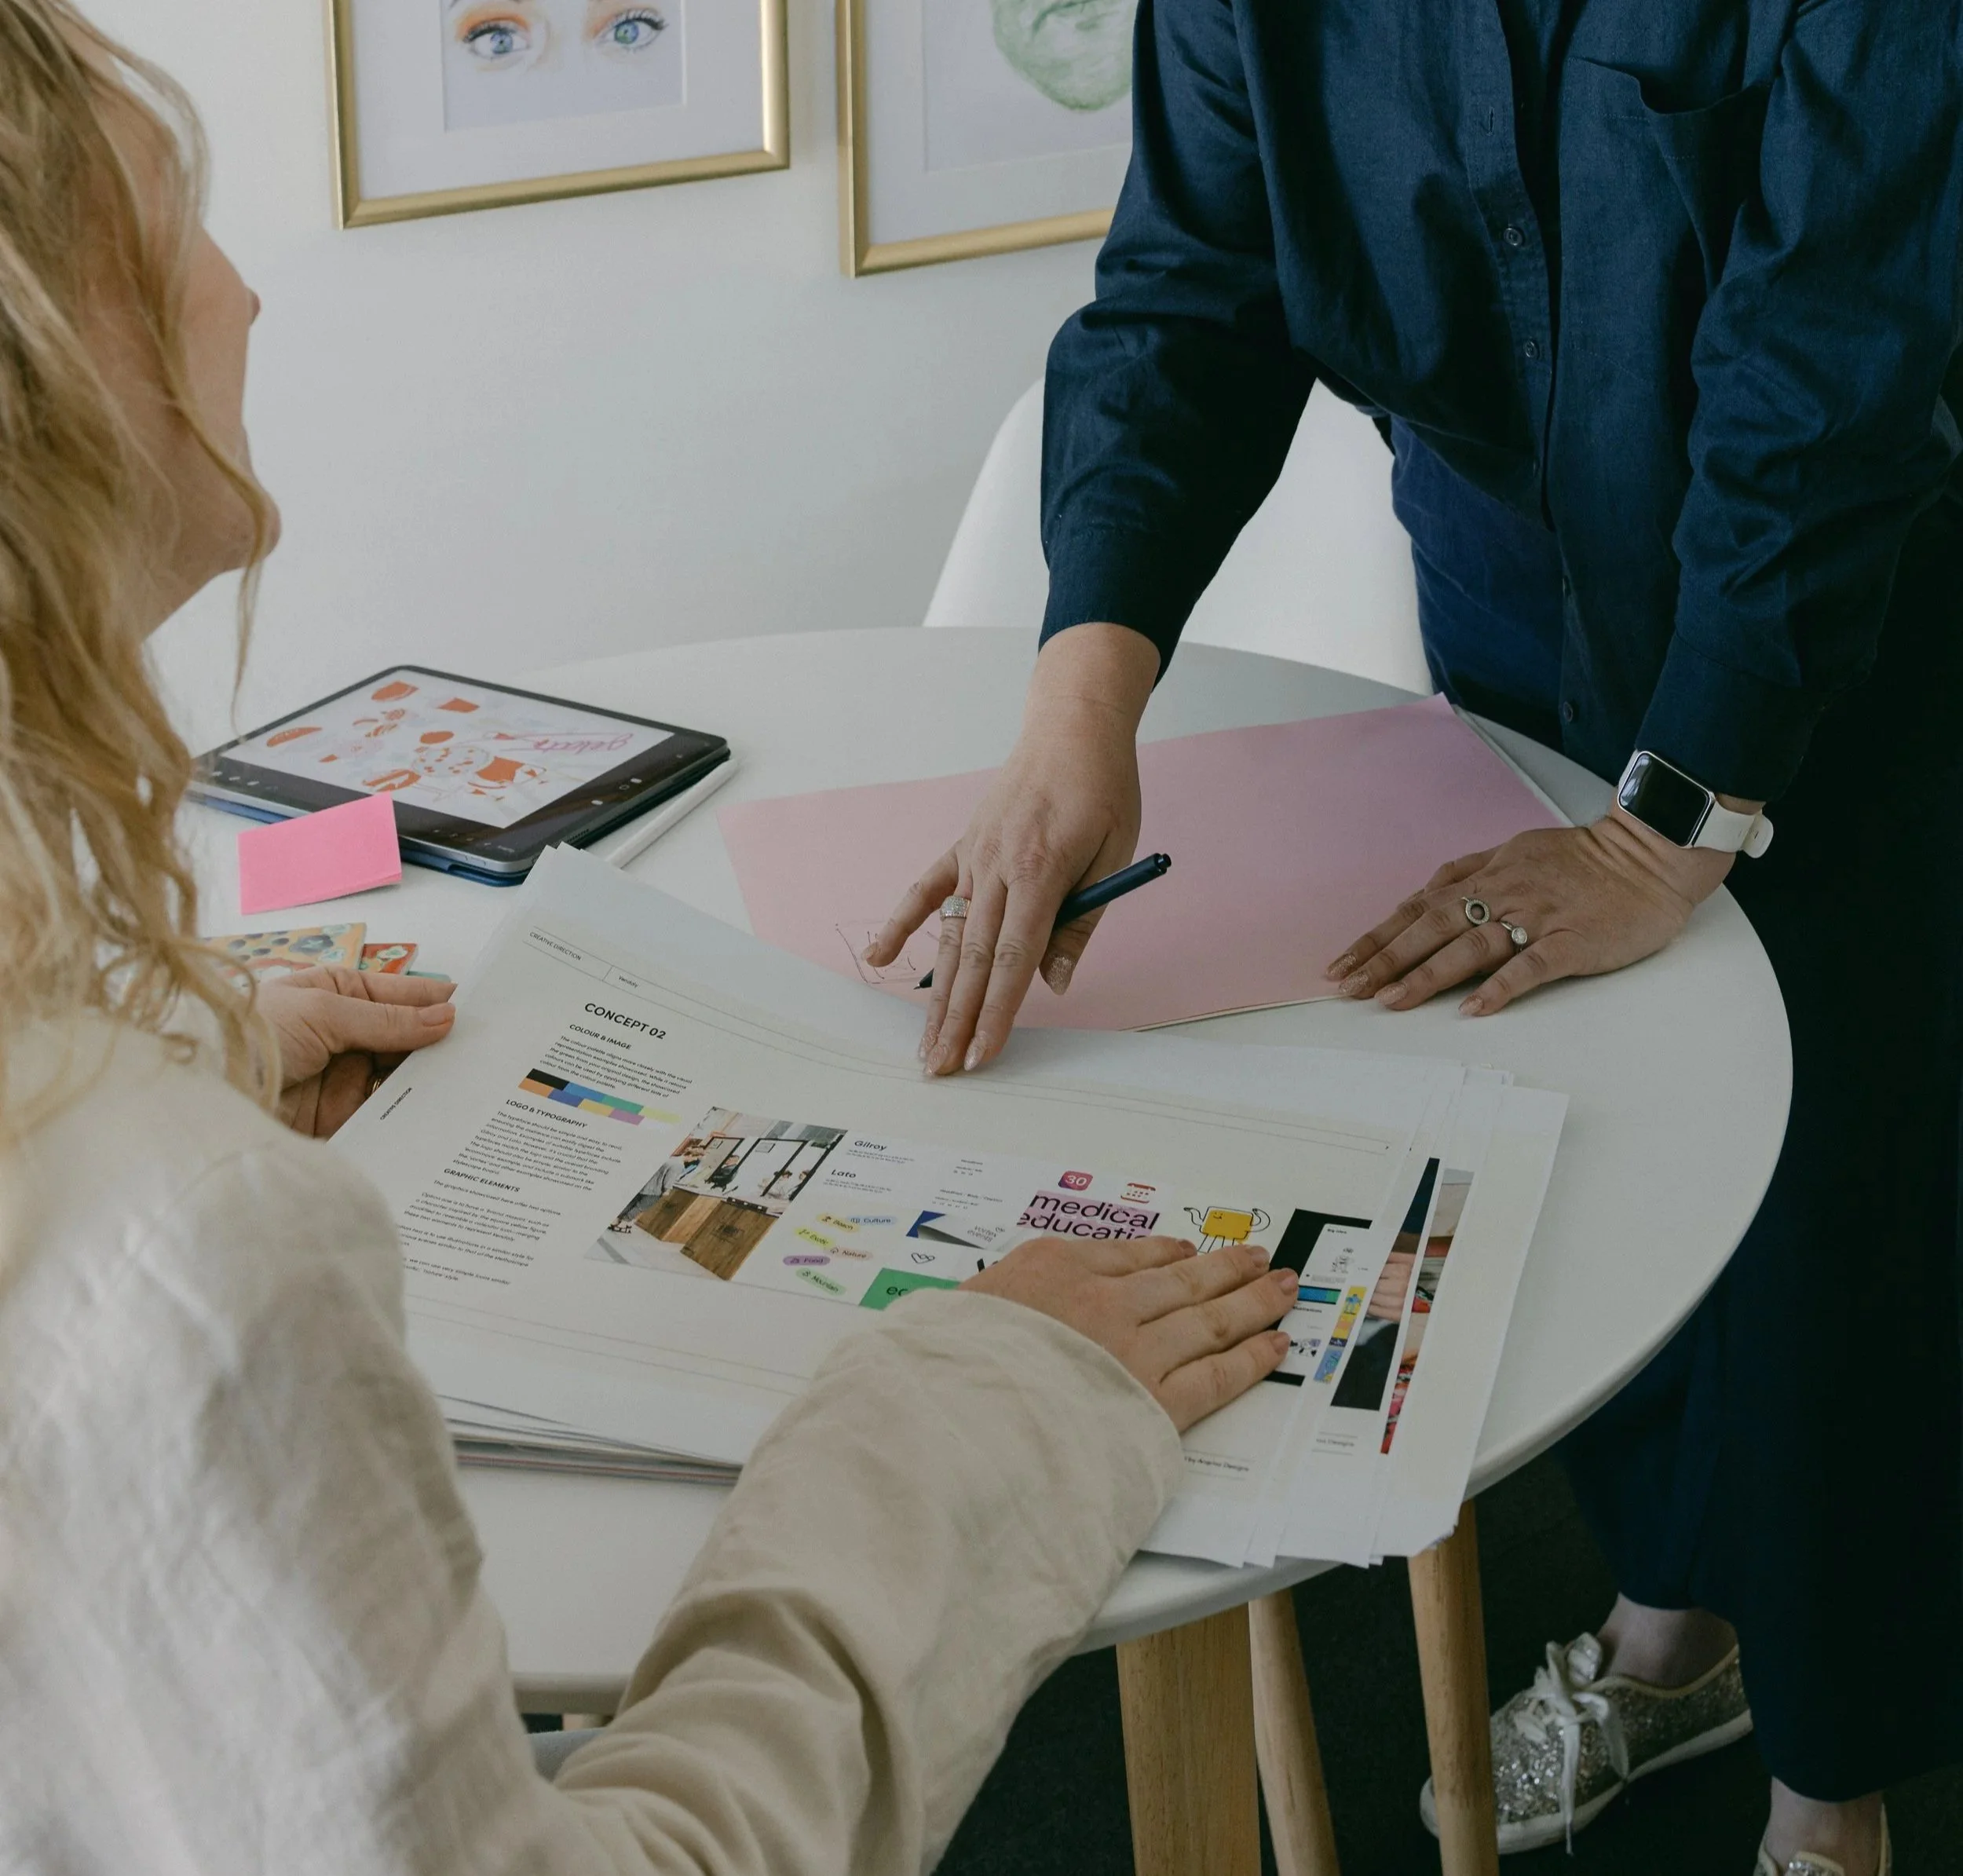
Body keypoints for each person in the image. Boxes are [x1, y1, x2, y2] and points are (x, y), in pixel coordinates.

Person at [0, 5, 1303, 1870]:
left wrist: (180, 1043)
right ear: (55, 373)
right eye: (174, 235)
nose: (246, 299)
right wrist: (977, 1402)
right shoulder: (208, 1251)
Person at [867, 5, 1962, 1873]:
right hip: (1506, 595)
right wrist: (1076, 716)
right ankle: (1667, 1631)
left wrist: (1672, 819)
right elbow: (1183, 298)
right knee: (1602, 1131)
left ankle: (1830, 1791)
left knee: (1831, 1211)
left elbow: (1830, 361)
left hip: (1837, 625)